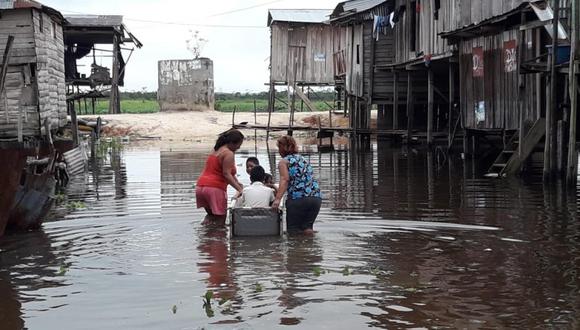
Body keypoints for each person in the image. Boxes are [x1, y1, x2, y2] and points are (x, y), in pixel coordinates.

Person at [272, 136, 322, 235]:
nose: (278, 151)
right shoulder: (303, 159)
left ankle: (295, 250)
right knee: (307, 229)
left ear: (283, 148)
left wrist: (277, 199)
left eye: (279, 148)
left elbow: (285, 179)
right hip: (315, 198)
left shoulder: (284, 162)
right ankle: (310, 248)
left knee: (293, 231)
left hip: (298, 199)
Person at [196, 129, 244, 225]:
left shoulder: (215, 149)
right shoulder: (228, 153)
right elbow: (226, 174)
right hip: (215, 188)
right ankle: (218, 238)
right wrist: (240, 189)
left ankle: (204, 236)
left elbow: (227, 172)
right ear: (232, 143)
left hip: (200, 187)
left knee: (211, 216)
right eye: (239, 145)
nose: (239, 148)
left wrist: (238, 183)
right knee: (220, 221)